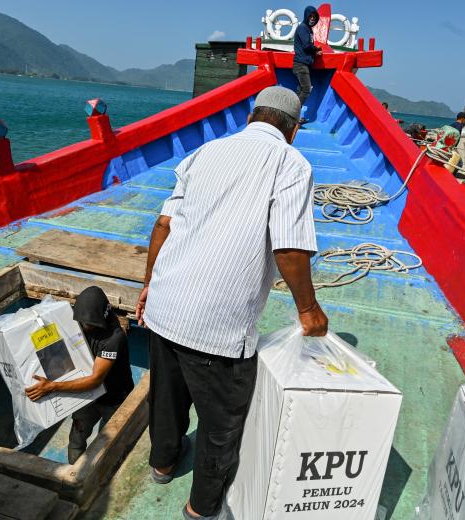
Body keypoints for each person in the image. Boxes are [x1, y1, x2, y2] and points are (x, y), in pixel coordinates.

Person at [136, 86, 328, 520]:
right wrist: (308, 309)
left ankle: (162, 463)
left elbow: (164, 224)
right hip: (217, 325)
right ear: (293, 129)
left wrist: (149, 284)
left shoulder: (206, 152)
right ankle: (202, 508)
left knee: (165, 397)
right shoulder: (290, 163)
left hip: (166, 305)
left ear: (252, 115)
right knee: (221, 423)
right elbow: (290, 249)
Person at [25, 286, 134, 464]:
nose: (84, 327)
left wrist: (52, 387)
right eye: (82, 322)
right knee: (76, 438)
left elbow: (95, 380)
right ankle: (73, 472)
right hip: (87, 397)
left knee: (110, 445)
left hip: (114, 398)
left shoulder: (114, 338)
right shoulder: (80, 320)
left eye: (89, 324)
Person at [292, 5, 322, 124]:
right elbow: (306, 45)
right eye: (310, 16)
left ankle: (293, 117)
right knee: (306, 89)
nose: (312, 18)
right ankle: (292, 114)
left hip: (303, 64)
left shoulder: (308, 30)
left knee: (300, 91)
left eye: (314, 17)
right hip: (301, 64)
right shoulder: (303, 28)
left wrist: (314, 51)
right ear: (306, 16)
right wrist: (316, 49)